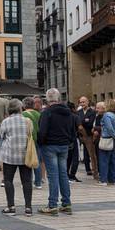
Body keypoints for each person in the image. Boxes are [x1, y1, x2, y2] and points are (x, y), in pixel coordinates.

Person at [37, 88, 77, 216]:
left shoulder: (47, 112)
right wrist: (69, 141)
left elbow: (42, 131)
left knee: (53, 175)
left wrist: (41, 142)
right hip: (64, 145)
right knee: (63, 174)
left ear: (47, 99)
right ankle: (66, 203)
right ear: (59, 98)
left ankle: (52, 204)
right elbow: (72, 129)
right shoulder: (68, 112)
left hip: (50, 145)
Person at [0, 99, 33, 217]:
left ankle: (11, 206)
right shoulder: (27, 121)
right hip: (25, 154)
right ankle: (28, 207)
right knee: (27, 181)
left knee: (8, 180)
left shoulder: (5, 121)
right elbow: (31, 133)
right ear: (20, 108)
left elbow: (2, 135)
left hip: (10, 154)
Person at [97, 100, 115, 186]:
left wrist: (114, 135)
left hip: (106, 138)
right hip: (114, 140)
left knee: (104, 160)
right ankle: (114, 179)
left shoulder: (106, 115)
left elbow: (109, 128)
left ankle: (103, 180)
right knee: (113, 160)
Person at [22, 97, 43, 189]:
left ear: (24, 105)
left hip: (27, 141)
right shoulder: (39, 114)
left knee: (27, 161)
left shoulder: (22, 115)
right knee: (36, 161)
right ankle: (38, 182)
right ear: (33, 104)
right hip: (38, 140)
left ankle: (27, 182)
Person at [77, 96, 99, 180]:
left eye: (84, 102)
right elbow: (78, 122)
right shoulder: (78, 112)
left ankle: (95, 172)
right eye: (81, 102)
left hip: (89, 135)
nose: (82, 104)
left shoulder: (92, 112)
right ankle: (87, 169)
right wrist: (84, 121)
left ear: (87, 102)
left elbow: (90, 123)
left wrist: (83, 122)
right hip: (80, 135)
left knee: (92, 154)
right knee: (85, 154)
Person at [65, 102, 83, 183]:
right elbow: (80, 127)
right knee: (75, 157)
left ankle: (66, 174)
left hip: (65, 139)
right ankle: (72, 175)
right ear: (73, 108)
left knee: (67, 158)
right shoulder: (75, 116)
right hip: (73, 139)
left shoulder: (64, 116)